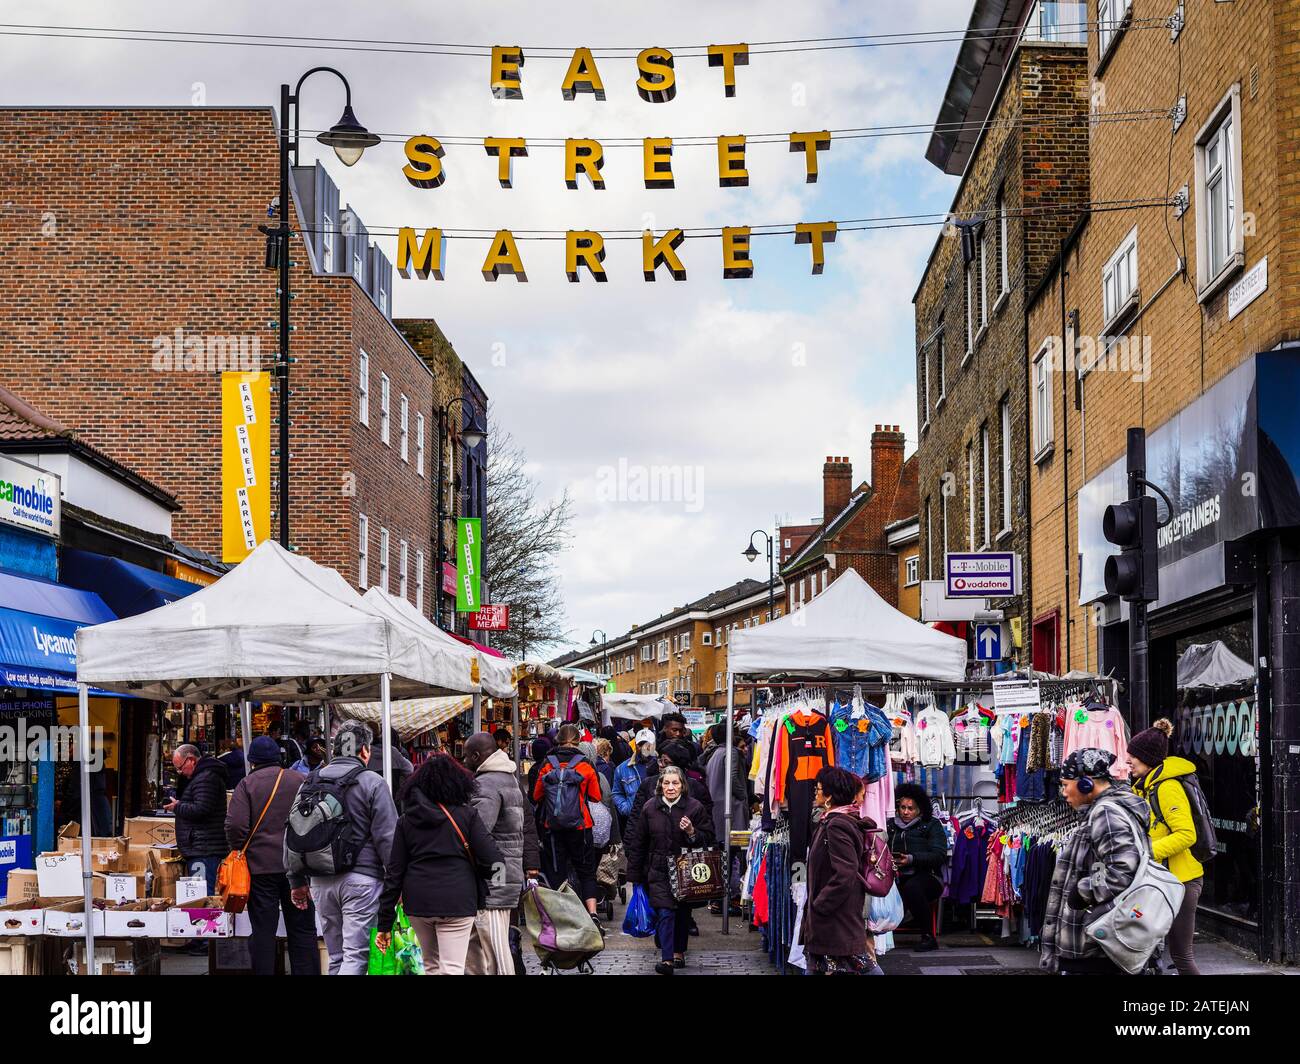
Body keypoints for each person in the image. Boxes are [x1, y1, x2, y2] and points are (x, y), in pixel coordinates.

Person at [375, 754, 504, 975]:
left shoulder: (406, 821)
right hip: (458, 899)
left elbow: (394, 873)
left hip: (418, 902)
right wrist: (480, 875)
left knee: (431, 965)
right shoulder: (467, 815)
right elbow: (493, 859)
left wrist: (384, 923)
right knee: (452, 968)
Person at [288, 721, 397, 976]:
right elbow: (388, 839)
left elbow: (292, 831)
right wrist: (397, 883)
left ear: (334, 750)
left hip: (320, 879)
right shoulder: (373, 782)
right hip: (363, 880)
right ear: (365, 751)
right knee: (356, 955)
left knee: (335, 955)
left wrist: (296, 881)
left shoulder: (310, 781)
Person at [1041, 748, 1151, 975]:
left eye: (1065, 784)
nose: (1063, 793)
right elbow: (1104, 865)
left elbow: (1121, 869)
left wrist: (1083, 892)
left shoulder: (1106, 814)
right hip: (1094, 944)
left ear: (1085, 784)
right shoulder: (1104, 811)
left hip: (1094, 947)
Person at [225, 736, 317, 975]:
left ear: (252, 761)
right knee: (303, 930)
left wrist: (241, 848)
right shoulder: (302, 780)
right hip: (299, 867)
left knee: (263, 932)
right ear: (280, 757)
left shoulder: (247, 784)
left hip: (260, 868)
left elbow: (235, 826)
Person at [1128, 718, 1203, 976]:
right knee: (1145, 950)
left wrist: (1147, 851)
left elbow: (1186, 834)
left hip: (1182, 881)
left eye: (1133, 757)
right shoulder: (1144, 787)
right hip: (1161, 879)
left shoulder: (1167, 788)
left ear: (1147, 759)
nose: (1128, 762)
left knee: (1181, 954)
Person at [624, 765, 714, 974]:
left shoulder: (695, 808)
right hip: (658, 870)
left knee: (682, 913)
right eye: (666, 783)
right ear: (660, 785)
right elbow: (639, 842)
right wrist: (635, 874)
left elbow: (708, 838)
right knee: (665, 912)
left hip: (685, 872)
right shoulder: (650, 808)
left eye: (675, 783)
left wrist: (692, 832)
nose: (671, 787)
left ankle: (678, 951)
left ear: (682, 785)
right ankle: (667, 959)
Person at [462, 732, 533, 975]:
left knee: (494, 945)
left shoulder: (487, 784)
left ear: (476, 756)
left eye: (466, 756)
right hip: (505, 871)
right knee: (483, 943)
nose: (463, 762)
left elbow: (478, 831)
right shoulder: (508, 778)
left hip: (492, 876)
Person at [803, 766, 883, 975]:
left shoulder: (837, 825)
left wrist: (821, 904)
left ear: (829, 796)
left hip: (835, 918)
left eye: (819, 789)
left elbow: (845, 872)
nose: (816, 793)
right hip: (834, 917)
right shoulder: (833, 821)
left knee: (864, 968)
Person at [532, 723, 603, 918]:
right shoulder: (586, 764)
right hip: (581, 827)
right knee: (586, 871)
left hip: (552, 827)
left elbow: (536, 796)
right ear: (579, 742)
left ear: (558, 740)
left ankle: (561, 916)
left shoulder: (547, 764)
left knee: (557, 871)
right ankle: (592, 914)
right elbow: (596, 797)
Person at [886, 782, 948, 952]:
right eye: (903, 807)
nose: (906, 812)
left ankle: (928, 937)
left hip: (929, 877)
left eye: (910, 808)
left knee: (912, 888)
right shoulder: (890, 826)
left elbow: (939, 855)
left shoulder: (931, 824)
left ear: (919, 809)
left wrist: (912, 859)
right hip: (896, 875)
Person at [164, 743, 229, 895]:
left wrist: (177, 807)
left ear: (191, 760)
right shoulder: (203, 776)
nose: (180, 772)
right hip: (203, 846)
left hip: (204, 848)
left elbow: (202, 809)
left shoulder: (205, 778)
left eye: (180, 767)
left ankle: (204, 920)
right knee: (201, 893)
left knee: (202, 895)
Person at [703, 723, 749, 915]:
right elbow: (733, 777)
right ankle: (726, 898)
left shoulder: (713, 754)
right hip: (732, 811)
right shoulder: (731, 753)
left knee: (723, 855)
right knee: (733, 855)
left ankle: (718, 898)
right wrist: (744, 795)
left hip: (718, 810)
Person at [629, 739, 713, 833]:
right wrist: (630, 846)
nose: (661, 765)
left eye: (667, 762)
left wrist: (693, 834)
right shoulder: (648, 784)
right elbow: (635, 819)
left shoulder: (696, 788)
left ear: (679, 765)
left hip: (686, 842)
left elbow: (706, 825)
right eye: (660, 761)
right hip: (654, 843)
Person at [613, 729, 656, 828]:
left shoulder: (662, 764)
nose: (644, 748)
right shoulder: (622, 768)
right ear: (636, 745)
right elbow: (616, 793)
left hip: (658, 819)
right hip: (635, 820)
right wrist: (626, 808)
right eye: (640, 745)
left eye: (648, 744)